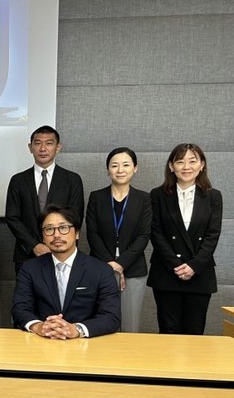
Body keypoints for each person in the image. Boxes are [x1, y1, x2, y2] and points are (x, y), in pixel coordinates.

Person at [12, 205, 121, 339]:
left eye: (63, 227)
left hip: (86, 344)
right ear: (43, 237)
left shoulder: (101, 270)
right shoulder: (29, 268)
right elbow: (20, 308)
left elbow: (111, 316)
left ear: (77, 233)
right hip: (42, 341)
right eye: (49, 229)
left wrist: (77, 329)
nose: (56, 235)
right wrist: (38, 326)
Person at [148, 143, 222, 335]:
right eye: (180, 162)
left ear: (202, 165)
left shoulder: (213, 196)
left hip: (200, 272)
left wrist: (194, 266)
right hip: (167, 271)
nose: (186, 167)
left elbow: (212, 235)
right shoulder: (157, 195)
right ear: (171, 166)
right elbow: (156, 232)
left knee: (194, 331)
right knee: (168, 330)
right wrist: (176, 264)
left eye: (192, 161)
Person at [85, 147, 151, 332]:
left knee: (130, 326)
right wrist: (110, 265)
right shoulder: (96, 197)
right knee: (99, 324)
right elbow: (92, 233)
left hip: (133, 269)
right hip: (100, 267)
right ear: (108, 170)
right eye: (114, 165)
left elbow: (144, 235)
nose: (120, 170)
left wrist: (121, 264)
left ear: (135, 168)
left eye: (126, 165)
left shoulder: (144, 198)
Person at [6, 125, 84, 272]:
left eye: (49, 143)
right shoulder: (18, 180)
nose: (43, 148)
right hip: (26, 254)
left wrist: (55, 244)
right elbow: (12, 217)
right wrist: (34, 245)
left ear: (58, 147)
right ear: (30, 147)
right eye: (37, 143)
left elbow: (75, 217)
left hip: (62, 253)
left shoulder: (72, 180)